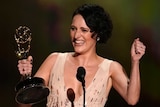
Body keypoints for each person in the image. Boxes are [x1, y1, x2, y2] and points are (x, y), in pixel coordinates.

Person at [17, 4, 146, 107]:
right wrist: (25, 78)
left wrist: (135, 62)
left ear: (98, 34)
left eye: (84, 30)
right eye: (73, 29)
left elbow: (132, 99)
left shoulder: (110, 68)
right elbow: (26, 103)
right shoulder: (54, 60)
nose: (77, 36)